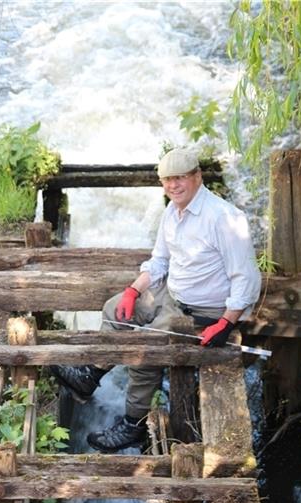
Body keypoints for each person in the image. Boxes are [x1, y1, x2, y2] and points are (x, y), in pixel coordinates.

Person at [51, 148, 261, 453]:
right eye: (166, 180)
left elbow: (247, 278)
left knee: (145, 351)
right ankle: (90, 374)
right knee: (115, 310)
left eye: (179, 178)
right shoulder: (172, 212)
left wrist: (227, 322)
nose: (173, 185)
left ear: (197, 177)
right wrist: (134, 290)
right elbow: (160, 261)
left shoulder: (225, 218)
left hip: (205, 310)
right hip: (172, 293)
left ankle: (133, 426)